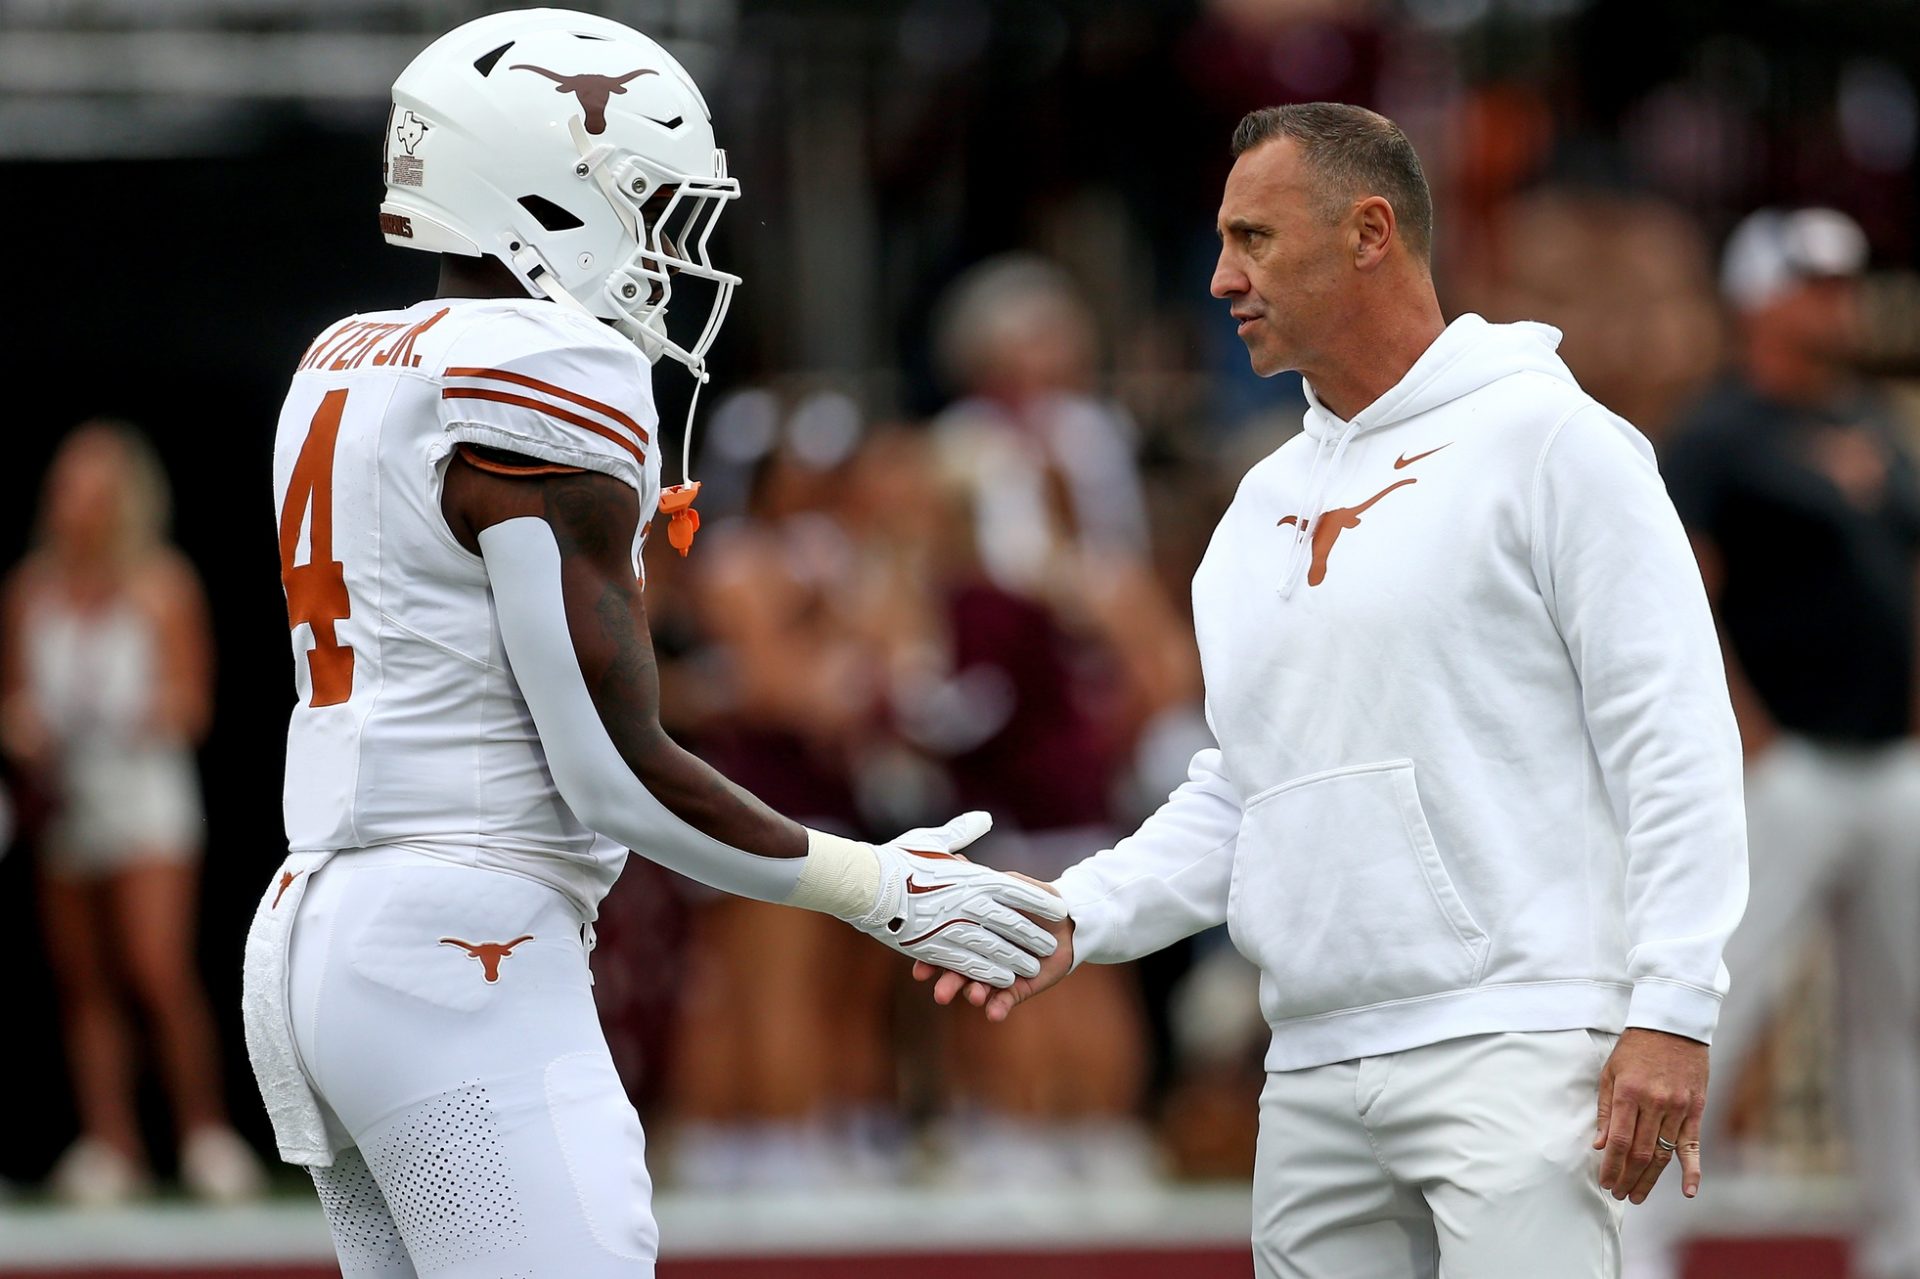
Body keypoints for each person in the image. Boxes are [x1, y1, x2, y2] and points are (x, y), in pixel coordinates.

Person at [239, 11, 1061, 1277]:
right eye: (648, 204)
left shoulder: (346, 359)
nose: (670, 249)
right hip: (464, 940)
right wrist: (876, 886)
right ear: (542, 190)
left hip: (317, 929)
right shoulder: (548, 371)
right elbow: (607, 773)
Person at [919, 102, 1749, 1279]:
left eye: (1253, 238)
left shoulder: (1556, 442)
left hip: (1516, 1044)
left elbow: (1673, 735)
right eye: (1221, 240)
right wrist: (1075, 914)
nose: (1218, 278)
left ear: (1370, 233)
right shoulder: (1257, 509)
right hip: (1310, 1064)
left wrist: (1673, 1007)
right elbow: (1248, 788)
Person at [1633, 208, 1920, 1279]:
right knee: (1711, 1000)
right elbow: (1677, 600)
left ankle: (1906, 1248)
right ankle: (1640, 1245)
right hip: (1781, 764)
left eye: (1843, 283)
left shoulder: (1873, 423)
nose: (1835, 302)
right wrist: (1744, 735)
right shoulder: (1713, 434)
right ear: (1757, 296)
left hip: (1890, 757)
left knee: (1903, 1019)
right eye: (1812, 282)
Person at [2, 421, 264, 1206]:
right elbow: (14, 693)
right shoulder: (29, 589)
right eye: (64, 487)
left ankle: (204, 1132)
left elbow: (193, 702)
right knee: (85, 980)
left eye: (89, 489)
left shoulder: (163, 584)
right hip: (66, 801)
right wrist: (24, 722)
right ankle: (110, 1141)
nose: (71, 503)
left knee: (156, 967)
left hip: (147, 798)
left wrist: (122, 712)